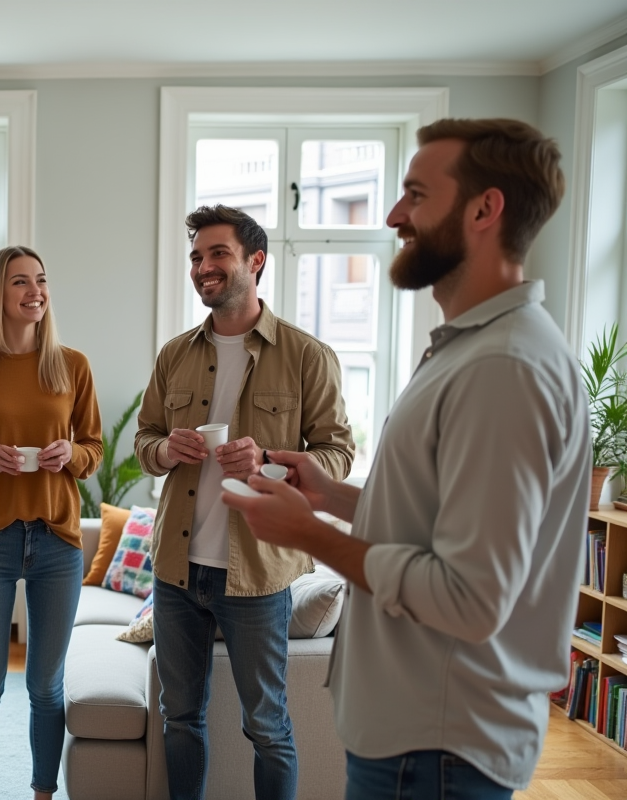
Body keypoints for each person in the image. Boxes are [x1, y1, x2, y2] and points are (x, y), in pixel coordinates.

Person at [220, 118, 586, 799]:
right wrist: (332, 496)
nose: (392, 215)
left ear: (485, 209)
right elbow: (446, 520)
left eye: (415, 195)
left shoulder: (503, 367)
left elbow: (470, 597)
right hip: (419, 736)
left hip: (436, 748)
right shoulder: (472, 350)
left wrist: (308, 533)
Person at [134, 205, 355, 800]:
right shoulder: (174, 354)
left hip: (257, 574)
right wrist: (166, 449)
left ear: (255, 261)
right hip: (177, 571)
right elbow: (144, 440)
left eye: (218, 254)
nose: (203, 267)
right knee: (179, 717)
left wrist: (269, 462)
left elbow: (337, 455)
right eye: (196, 257)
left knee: (267, 726)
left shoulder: (307, 355)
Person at [0, 245, 103, 800]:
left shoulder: (72, 365)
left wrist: (71, 455)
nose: (36, 291)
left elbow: (94, 449)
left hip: (57, 539)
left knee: (46, 687)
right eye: (21, 282)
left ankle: (41, 794)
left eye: (41, 280)